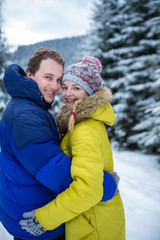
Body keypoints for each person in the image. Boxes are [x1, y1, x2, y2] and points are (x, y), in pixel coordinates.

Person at [0, 49, 119, 240]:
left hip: (32, 211)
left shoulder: (28, 106)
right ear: (30, 75)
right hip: (35, 220)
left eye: (58, 80)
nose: (55, 87)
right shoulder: (26, 116)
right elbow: (55, 170)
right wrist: (108, 184)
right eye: (48, 77)